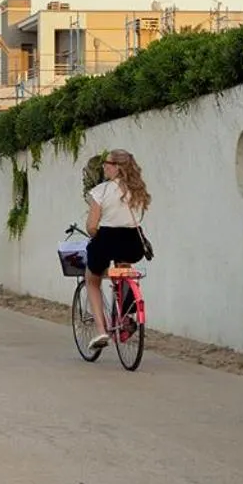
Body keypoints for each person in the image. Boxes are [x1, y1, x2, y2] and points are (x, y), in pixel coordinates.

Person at [84, 149, 151, 350]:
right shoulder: (138, 190)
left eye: (108, 163)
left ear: (117, 167)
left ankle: (102, 331)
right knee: (123, 270)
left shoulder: (102, 191)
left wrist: (95, 234)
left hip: (107, 240)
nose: (104, 166)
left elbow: (91, 226)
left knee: (92, 279)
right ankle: (127, 315)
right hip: (132, 242)